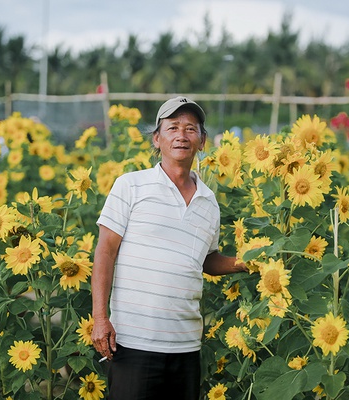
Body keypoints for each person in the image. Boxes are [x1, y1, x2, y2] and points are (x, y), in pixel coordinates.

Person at [91, 96, 247, 400]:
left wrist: (249, 262)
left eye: (191, 129)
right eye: (173, 127)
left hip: (186, 346)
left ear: (202, 141)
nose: (181, 135)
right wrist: (100, 318)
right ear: (157, 138)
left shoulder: (209, 201)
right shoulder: (130, 186)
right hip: (134, 342)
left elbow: (207, 261)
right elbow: (105, 251)